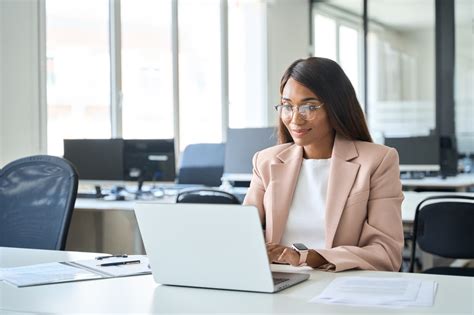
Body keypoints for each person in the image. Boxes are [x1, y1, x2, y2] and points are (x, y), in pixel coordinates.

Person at [243, 57, 404, 272]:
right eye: (287, 106)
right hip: (279, 282)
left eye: (309, 107)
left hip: (340, 285)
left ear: (336, 107)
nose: (295, 119)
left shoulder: (377, 161)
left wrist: (307, 257)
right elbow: (242, 235)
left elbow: (386, 253)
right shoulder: (265, 161)